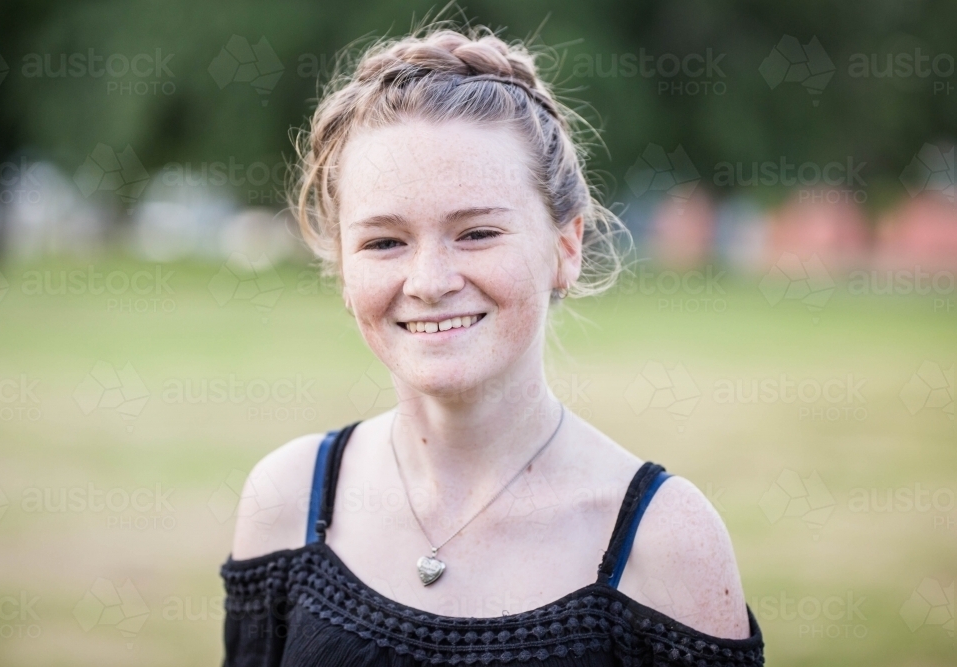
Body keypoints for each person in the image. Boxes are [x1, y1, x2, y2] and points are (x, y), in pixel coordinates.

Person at [221, 24, 765, 666]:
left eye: (477, 233)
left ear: (566, 247)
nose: (428, 282)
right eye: (384, 242)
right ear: (343, 267)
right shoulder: (288, 500)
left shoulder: (665, 542)